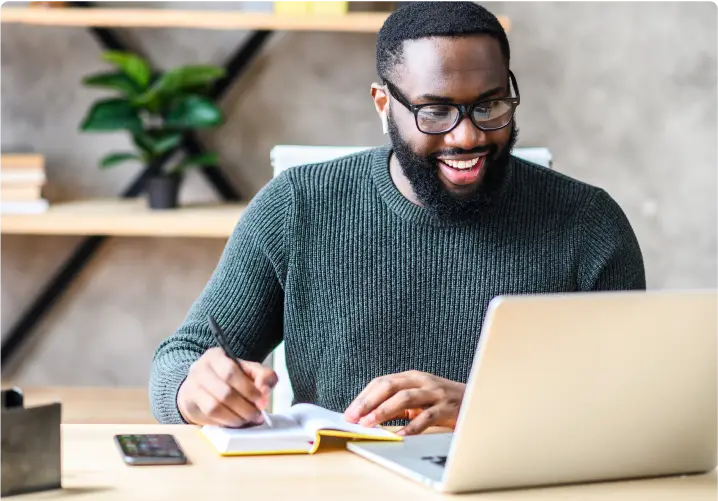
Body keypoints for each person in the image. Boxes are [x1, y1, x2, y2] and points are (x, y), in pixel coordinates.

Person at [149, 0, 645, 436]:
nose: (466, 137)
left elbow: (633, 405)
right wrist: (195, 390)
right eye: (434, 112)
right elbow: (178, 361)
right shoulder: (297, 208)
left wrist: (480, 405)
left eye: (489, 106)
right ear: (383, 105)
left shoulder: (589, 224)